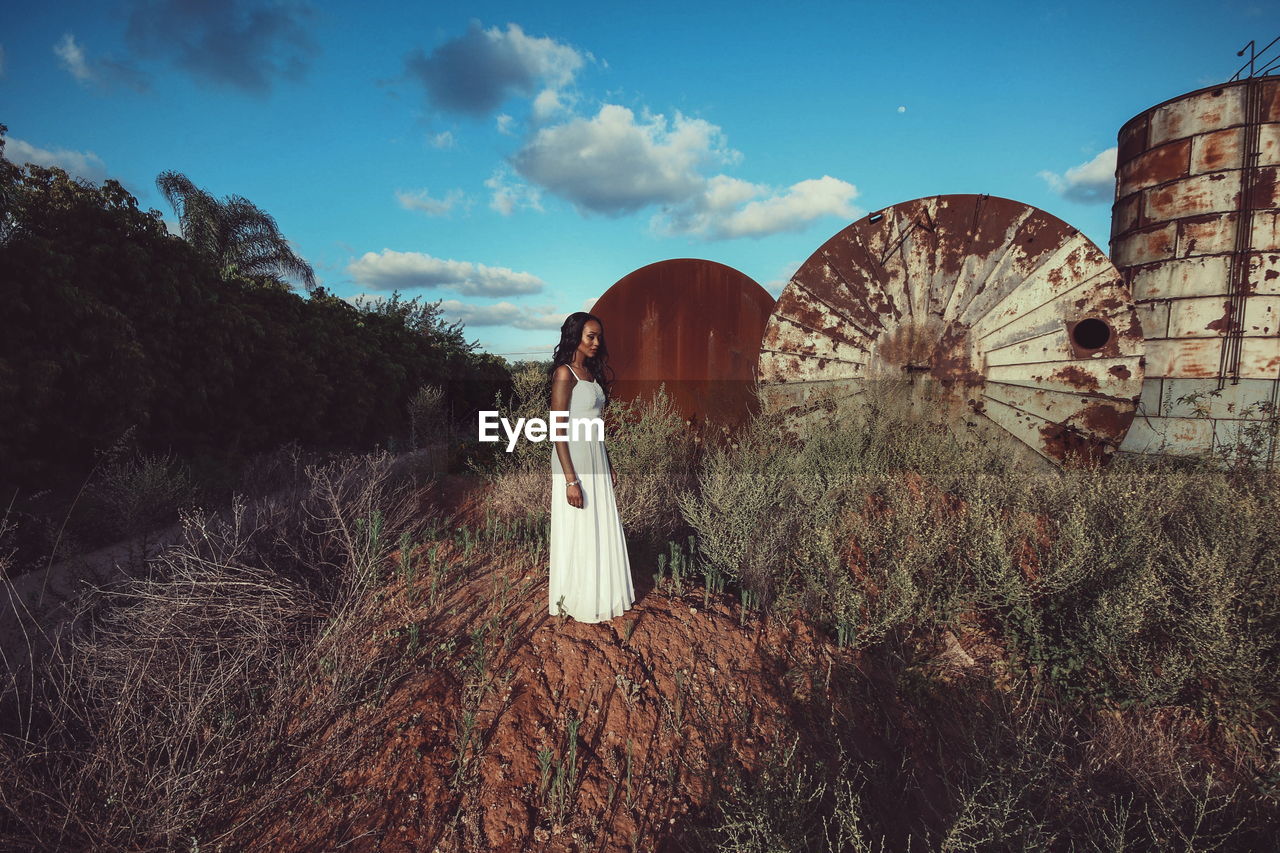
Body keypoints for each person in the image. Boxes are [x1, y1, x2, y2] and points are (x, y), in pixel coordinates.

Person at [547, 312, 635, 622]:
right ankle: (577, 597)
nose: (597, 342)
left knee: (598, 524)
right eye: (590, 336)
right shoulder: (565, 373)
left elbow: (595, 427)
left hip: (595, 456)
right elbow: (557, 430)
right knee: (580, 525)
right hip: (574, 461)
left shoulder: (591, 375)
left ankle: (601, 592)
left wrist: (608, 462)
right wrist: (571, 480)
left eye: (599, 336)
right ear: (576, 337)